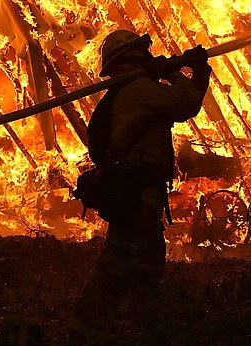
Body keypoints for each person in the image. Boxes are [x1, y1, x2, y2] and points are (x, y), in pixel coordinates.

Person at [73, 29, 210, 324]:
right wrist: (176, 71)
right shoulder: (138, 90)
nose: (149, 56)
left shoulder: (132, 90)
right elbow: (187, 101)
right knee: (122, 262)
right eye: (144, 52)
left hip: (136, 191)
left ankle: (135, 326)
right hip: (137, 193)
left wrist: (195, 72)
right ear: (133, 57)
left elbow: (184, 106)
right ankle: (88, 327)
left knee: (140, 263)